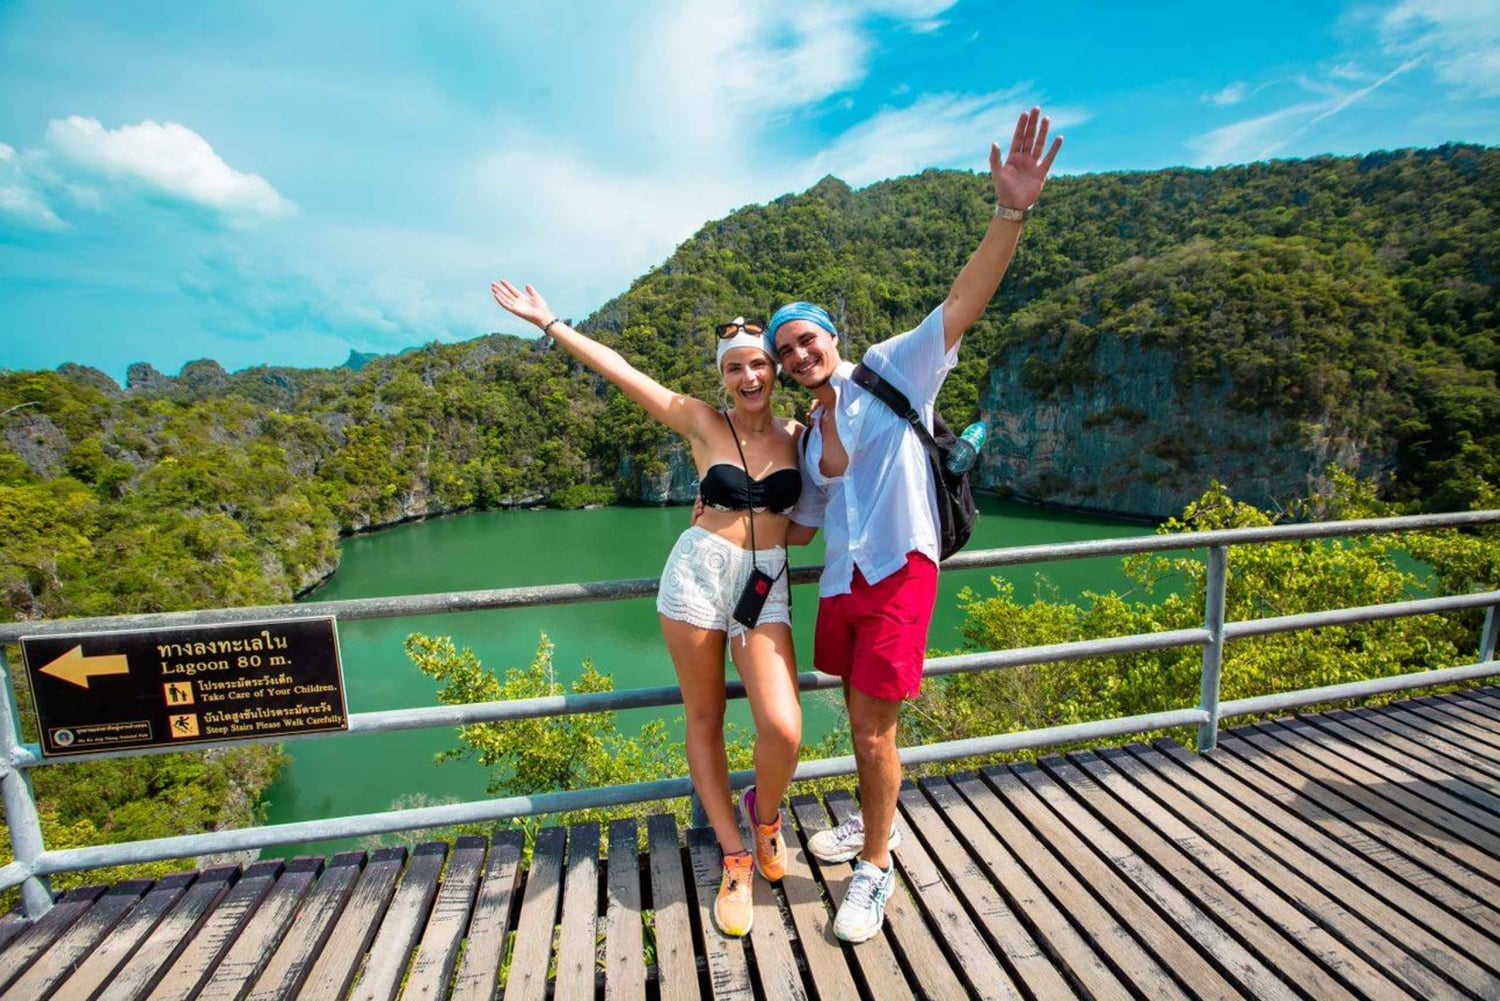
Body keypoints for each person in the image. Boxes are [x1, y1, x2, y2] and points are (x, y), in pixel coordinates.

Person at [772, 107, 1063, 943]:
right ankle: (876, 829)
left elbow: (966, 297)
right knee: (861, 724)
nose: (797, 356)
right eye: (784, 350)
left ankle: (875, 867)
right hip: (843, 580)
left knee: (872, 729)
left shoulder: (897, 366)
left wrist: (1011, 211)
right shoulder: (810, 427)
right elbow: (802, 525)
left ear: (833, 335)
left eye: (805, 340)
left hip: (902, 567)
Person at [490, 284, 811, 938]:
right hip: (696, 577)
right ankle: (735, 854)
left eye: (757, 363)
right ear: (721, 377)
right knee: (706, 717)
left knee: (782, 725)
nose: (748, 375)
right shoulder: (702, 421)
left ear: (774, 369)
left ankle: (766, 814)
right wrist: (550, 321)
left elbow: (807, 523)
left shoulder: (801, 436)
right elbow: (620, 370)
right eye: (733, 366)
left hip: (765, 584)